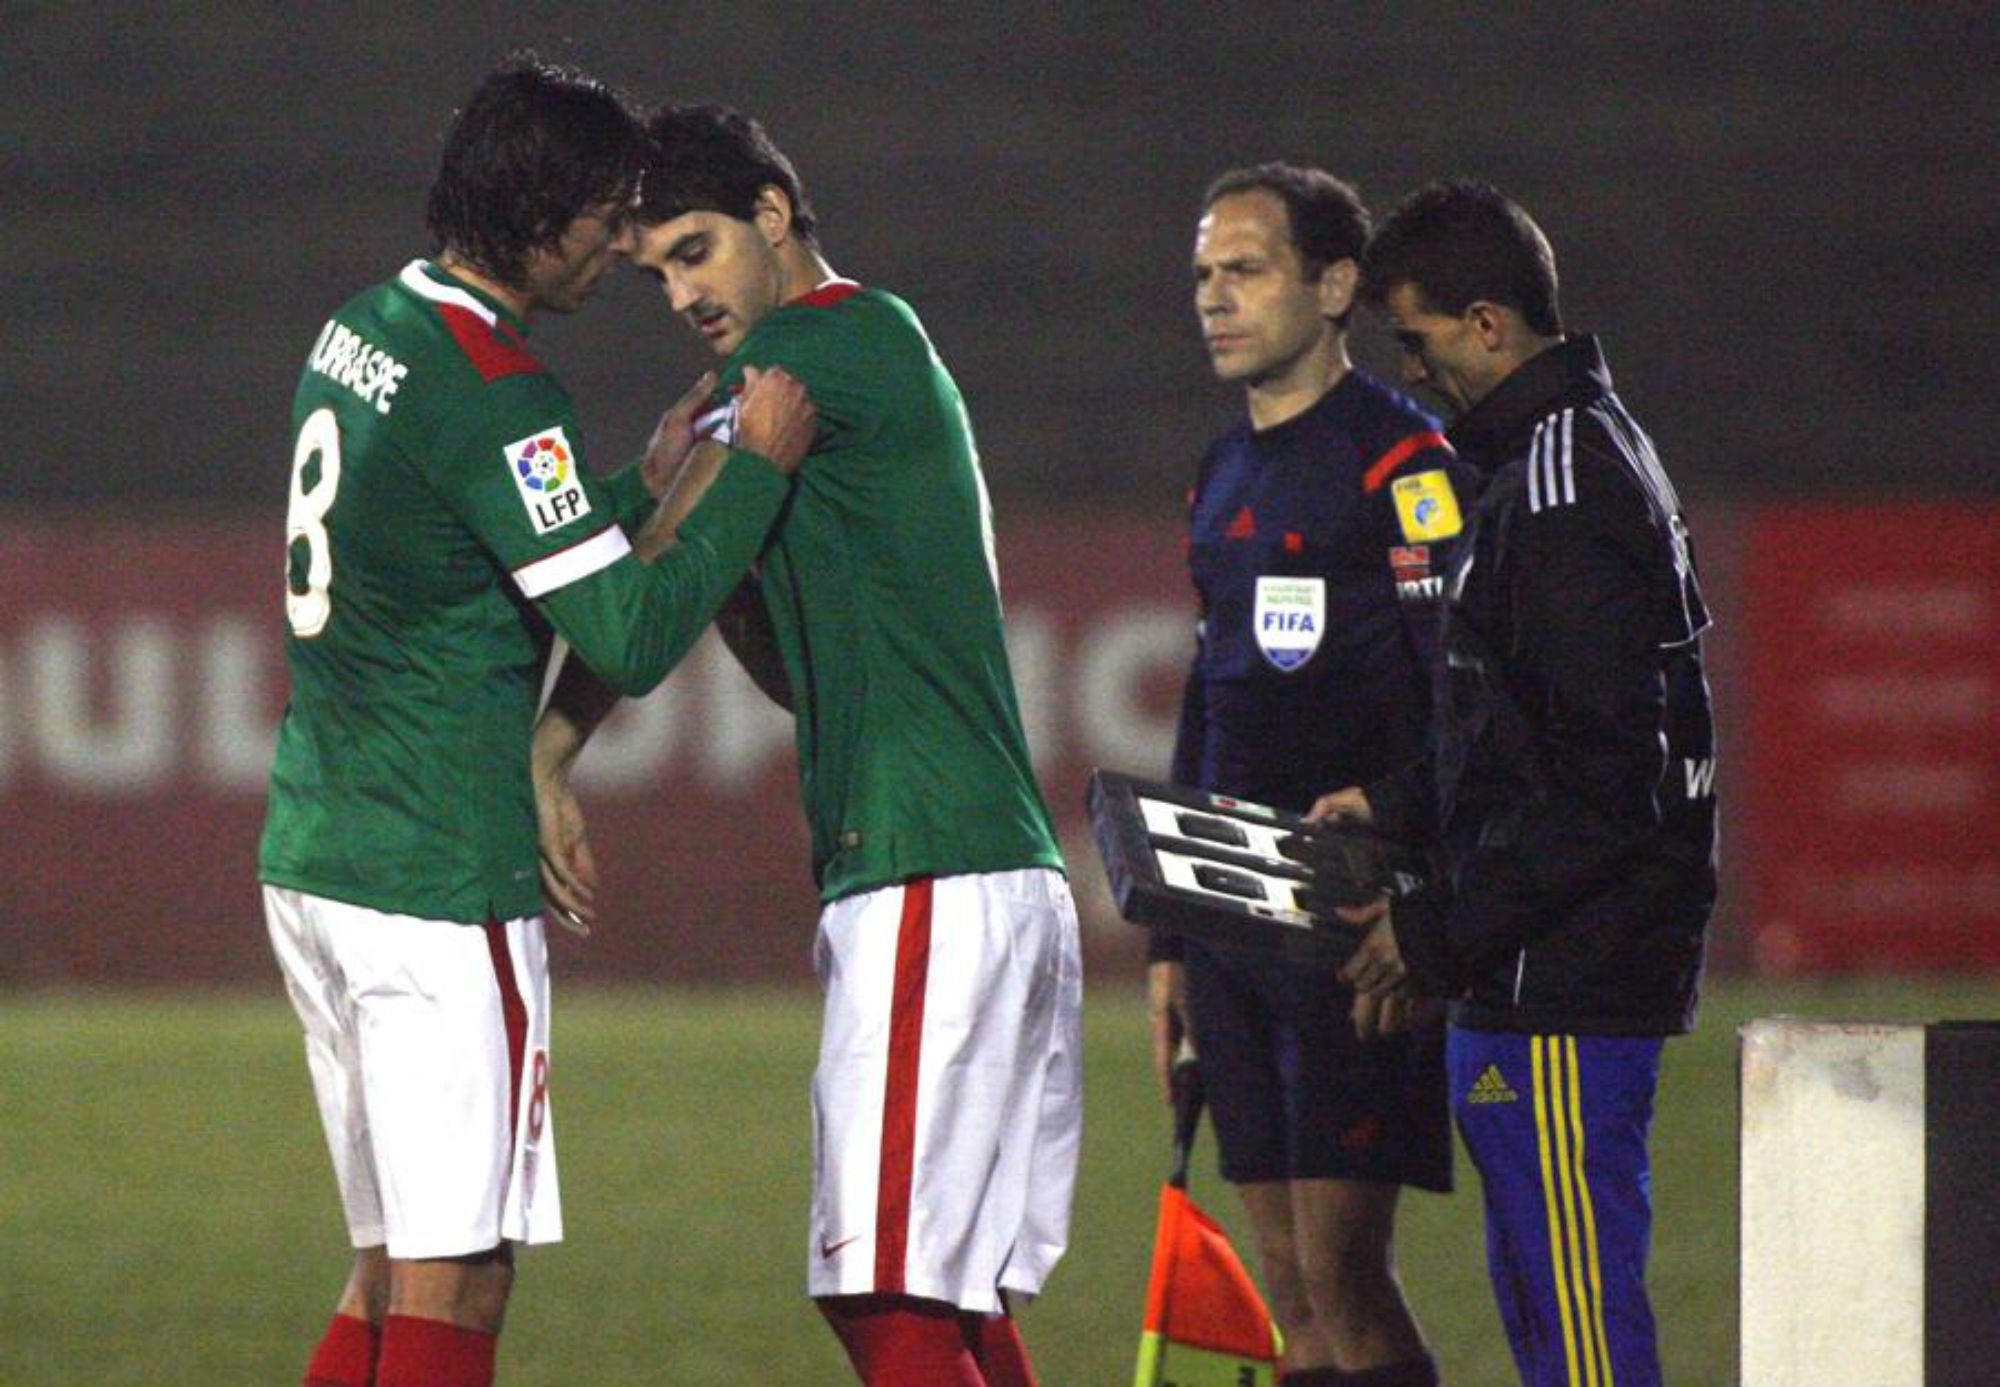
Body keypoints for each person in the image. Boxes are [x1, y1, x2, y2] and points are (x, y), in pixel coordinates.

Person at [258, 60, 815, 1387]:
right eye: (612, 217)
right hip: (438, 873)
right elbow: (624, 631)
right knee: (462, 1275)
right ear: (546, 216)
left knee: (390, 1262)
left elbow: (478, 537)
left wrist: (638, 477)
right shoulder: (496, 385)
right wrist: (746, 474)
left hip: (319, 853)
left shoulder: (369, 323)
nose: (625, 247)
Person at [531, 105, 1079, 1387]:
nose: (677, 291)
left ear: (772, 216)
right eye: (657, 268)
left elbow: (645, 587)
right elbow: (783, 666)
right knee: (947, 1298)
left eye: (694, 249)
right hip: (975, 866)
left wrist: (545, 754)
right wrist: (733, 563)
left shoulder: (805, 349)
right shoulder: (872, 344)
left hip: (927, 870)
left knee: (884, 1296)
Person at [1325, 181, 1718, 1387]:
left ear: (1486, 324)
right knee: (1549, 1324)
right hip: (1532, 971)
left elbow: (1606, 786)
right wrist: (1393, 807)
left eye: (1418, 341)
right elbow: (1517, 722)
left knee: (1581, 1341)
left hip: (1564, 980)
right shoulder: (1548, 460)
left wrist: (1434, 929)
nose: (1413, 370)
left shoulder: (1561, 487)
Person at [1147, 163, 1465, 1387]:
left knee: (1345, 1278)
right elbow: (1206, 694)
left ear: (1332, 286)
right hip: (1230, 918)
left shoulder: (1402, 462)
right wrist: (1171, 937)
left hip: (1349, 919)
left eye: (1245, 269)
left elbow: (1465, 701)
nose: (1213, 299)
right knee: (1286, 1305)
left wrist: (1417, 882)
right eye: (1202, 275)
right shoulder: (1220, 469)